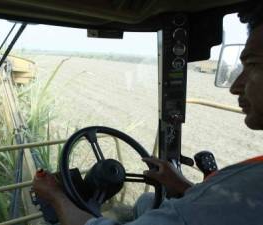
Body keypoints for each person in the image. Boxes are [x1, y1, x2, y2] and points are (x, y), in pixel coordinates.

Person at [33, 3, 263, 225]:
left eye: (252, 65)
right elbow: (218, 210)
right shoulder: (247, 184)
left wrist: (55, 196)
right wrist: (183, 186)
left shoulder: (251, 183)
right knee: (145, 200)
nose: (234, 86)